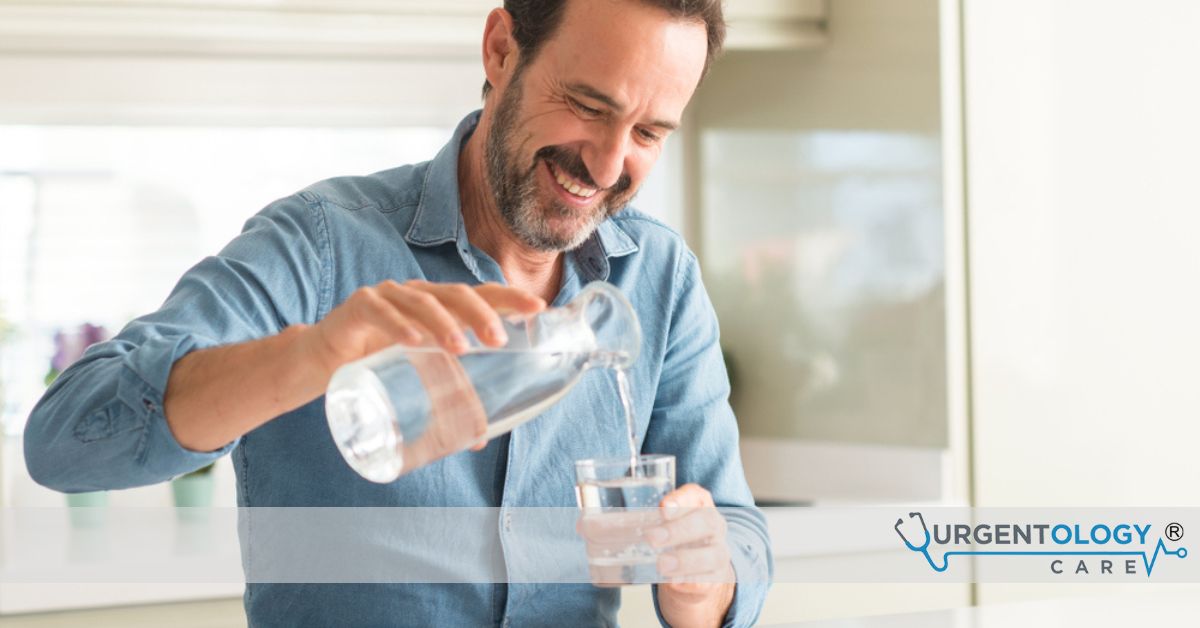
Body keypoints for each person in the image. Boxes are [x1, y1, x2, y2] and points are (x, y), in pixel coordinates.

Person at [24, 0, 773, 625]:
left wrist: (703, 578)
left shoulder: (660, 275)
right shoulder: (321, 246)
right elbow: (64, 439)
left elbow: (737, 532)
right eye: (586, 106)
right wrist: (311, 355)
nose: (609, 166)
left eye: (647, 134)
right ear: (501, 49)